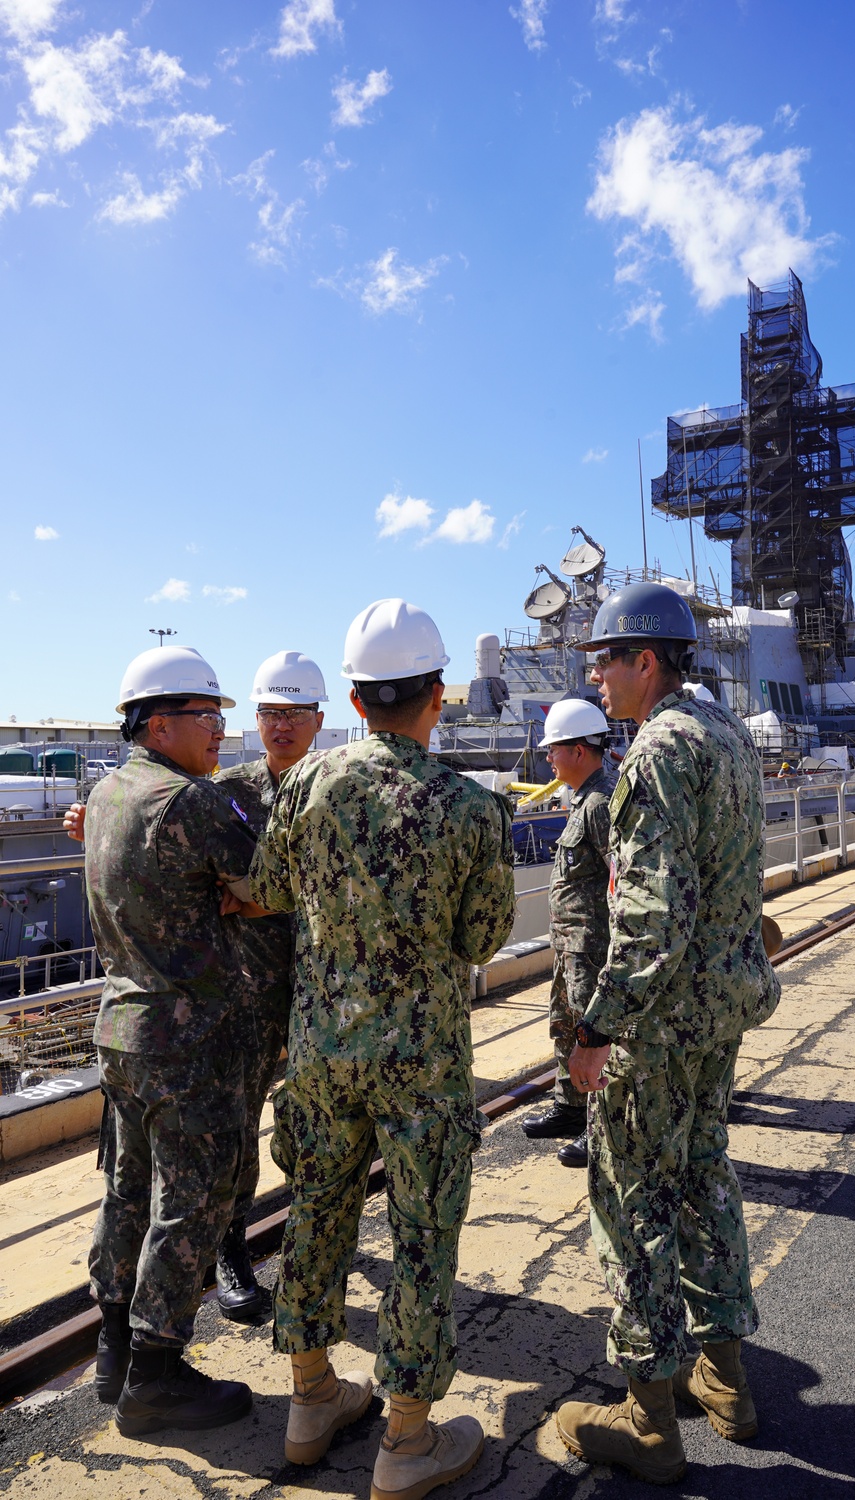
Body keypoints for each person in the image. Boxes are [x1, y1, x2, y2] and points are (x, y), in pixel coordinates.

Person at [231, 599, 516, 1490]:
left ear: (352, 702)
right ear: (437, 696)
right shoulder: (472, 809)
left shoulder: (307, 784)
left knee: (316, 1219)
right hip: (422, 1067)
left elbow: (270, 889)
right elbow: (480, 939)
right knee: (425, 1236)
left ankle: (312, 1399)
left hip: (318, 1054)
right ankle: (406, 1441)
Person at [553, 583, 781, 1486]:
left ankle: (648, 1419)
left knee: (632, 1203)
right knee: (703, 1177)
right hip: (718, 1011)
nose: (595, 677)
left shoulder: (654, 754)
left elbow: (647, 922)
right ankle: (724, 1381)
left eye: (604, 659)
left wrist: (595, 1029)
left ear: (646, 661)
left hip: (656, 1025)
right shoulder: (726, 735)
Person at [83, 645, 257, 1437]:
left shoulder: (107, 793)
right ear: (158, 723)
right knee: (192, 1203)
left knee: (126, 1191)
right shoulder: (190, 803)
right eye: (207, 717)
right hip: (191, 1041)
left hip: (122, 1031)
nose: (222, 731)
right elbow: (271, 886)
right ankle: (157, 1375)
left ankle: (113, 1349)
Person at [210, 650, 328, 1320]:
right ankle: (234, 1254)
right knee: (238, 1132)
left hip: (324, 995)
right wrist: (89, 822)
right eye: (271, 713)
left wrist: (260, 899)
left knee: (316, 1131)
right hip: (247, 997)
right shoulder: (227, 794)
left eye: (295, 713)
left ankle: (314, 1243)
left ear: (319, 718)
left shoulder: (338, 788)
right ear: (256, 718)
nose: (282, 725)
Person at [520, 698, 616, 1169]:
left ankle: (601, 1129)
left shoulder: (602, 804)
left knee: (595, 1038)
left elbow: (623, 880)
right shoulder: (582, 797)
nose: (548, 758)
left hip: (594, 949)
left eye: (553, 749)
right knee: (565, 1026)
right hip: (572, 945)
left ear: (579, 750)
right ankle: (571, 1108)